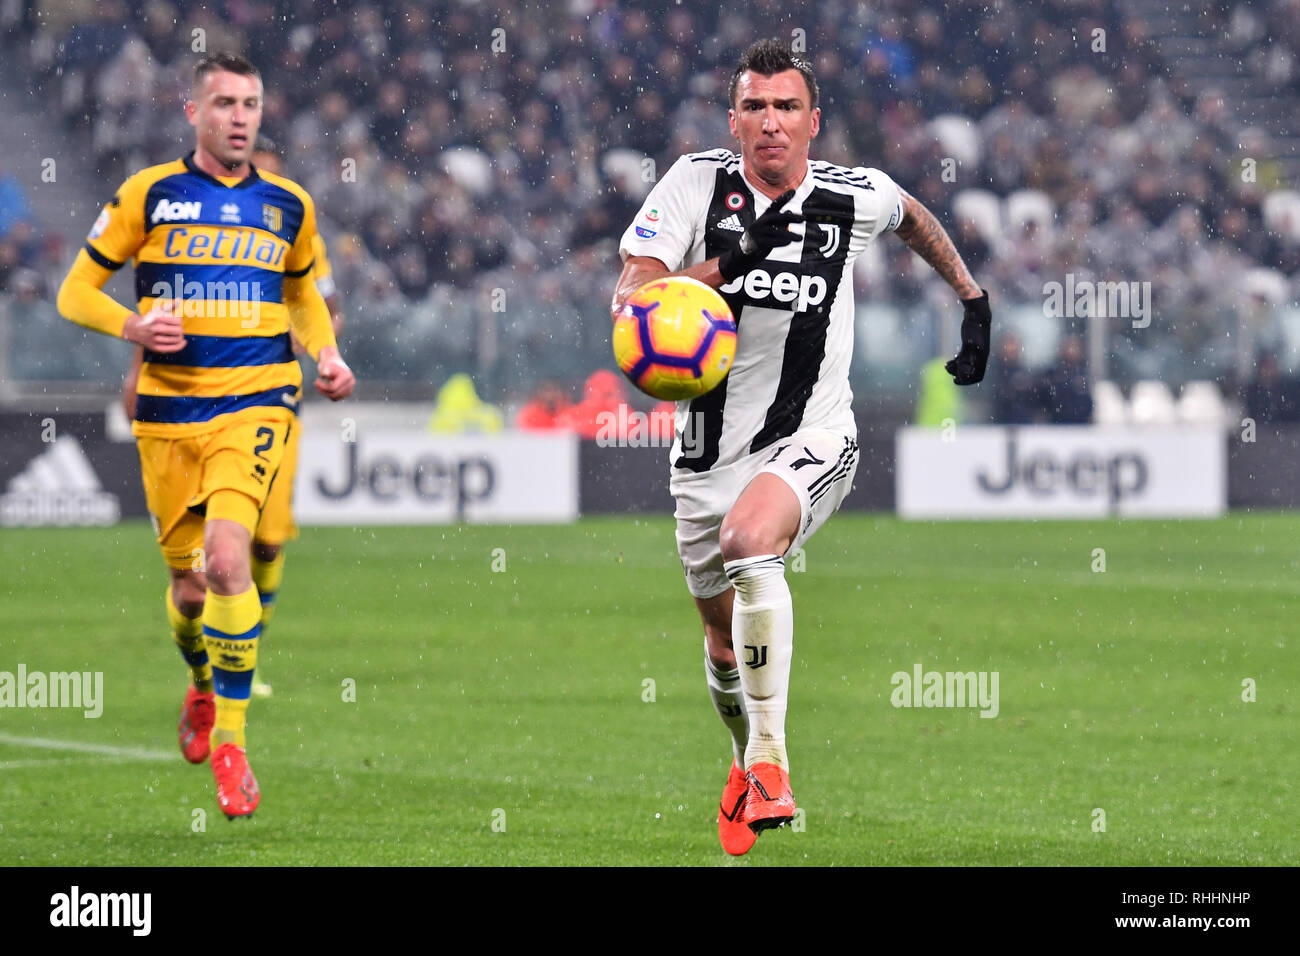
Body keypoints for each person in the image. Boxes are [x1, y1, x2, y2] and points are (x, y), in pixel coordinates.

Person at [611, 39, 990, 856]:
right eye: (755, 107)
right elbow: (632, 298)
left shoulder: (850, 196)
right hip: (708, 458)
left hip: (813, 436)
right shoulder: (695, 184)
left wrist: (972, 297)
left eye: (787, 108)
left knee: (753, 545)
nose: (770, 123)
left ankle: (772, 764)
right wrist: (730, 262)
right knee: (720, 644)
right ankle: (741, 762)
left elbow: (915, 216)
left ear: (813, 123)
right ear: (734, 120)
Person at [56, 52, 355, 819]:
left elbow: (304, 296)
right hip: (168, 416)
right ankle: (199, 683)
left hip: (256, 401)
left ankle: (232, 742)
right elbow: (74, 291)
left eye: (250, 103)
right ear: (193, 113)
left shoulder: (289, 204)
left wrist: (325, 352)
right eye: (223, 102)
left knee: (232, 559)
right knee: (189, 589)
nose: (240, 116)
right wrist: (131, 324)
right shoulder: (148, 195)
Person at [117, 136, 346, 700]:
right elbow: (158, 316)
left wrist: (322, 348)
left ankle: (247, 655)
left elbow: (322, 303)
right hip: (191, 410)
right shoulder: (186, 239)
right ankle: (210, 673)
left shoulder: (294, 229)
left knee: (266, 543)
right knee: (202, 573)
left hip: (266, 406)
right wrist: (137, 380)